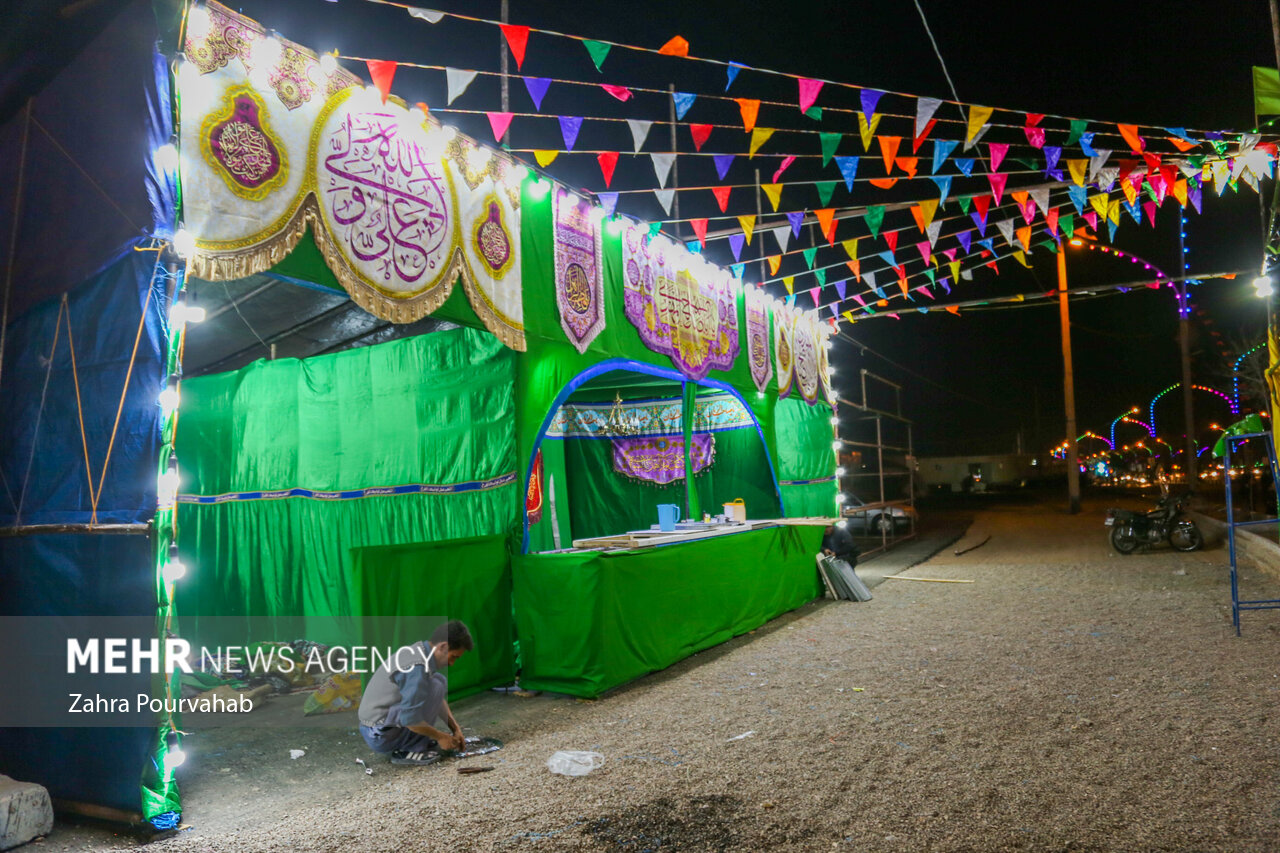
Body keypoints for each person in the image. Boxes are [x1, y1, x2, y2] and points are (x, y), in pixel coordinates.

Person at [358, 620, 473, 765]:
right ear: (443, 646)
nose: (452, 663)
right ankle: (408, 750)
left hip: (377, 727)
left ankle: (413, 741)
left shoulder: (420, 652)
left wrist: (455, 728)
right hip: (378, 734)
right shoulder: (416, 668)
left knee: (438, 682)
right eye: (454, 657)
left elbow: (437, 698)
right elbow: (410, 720)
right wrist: (440, 737)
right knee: (435, 687)